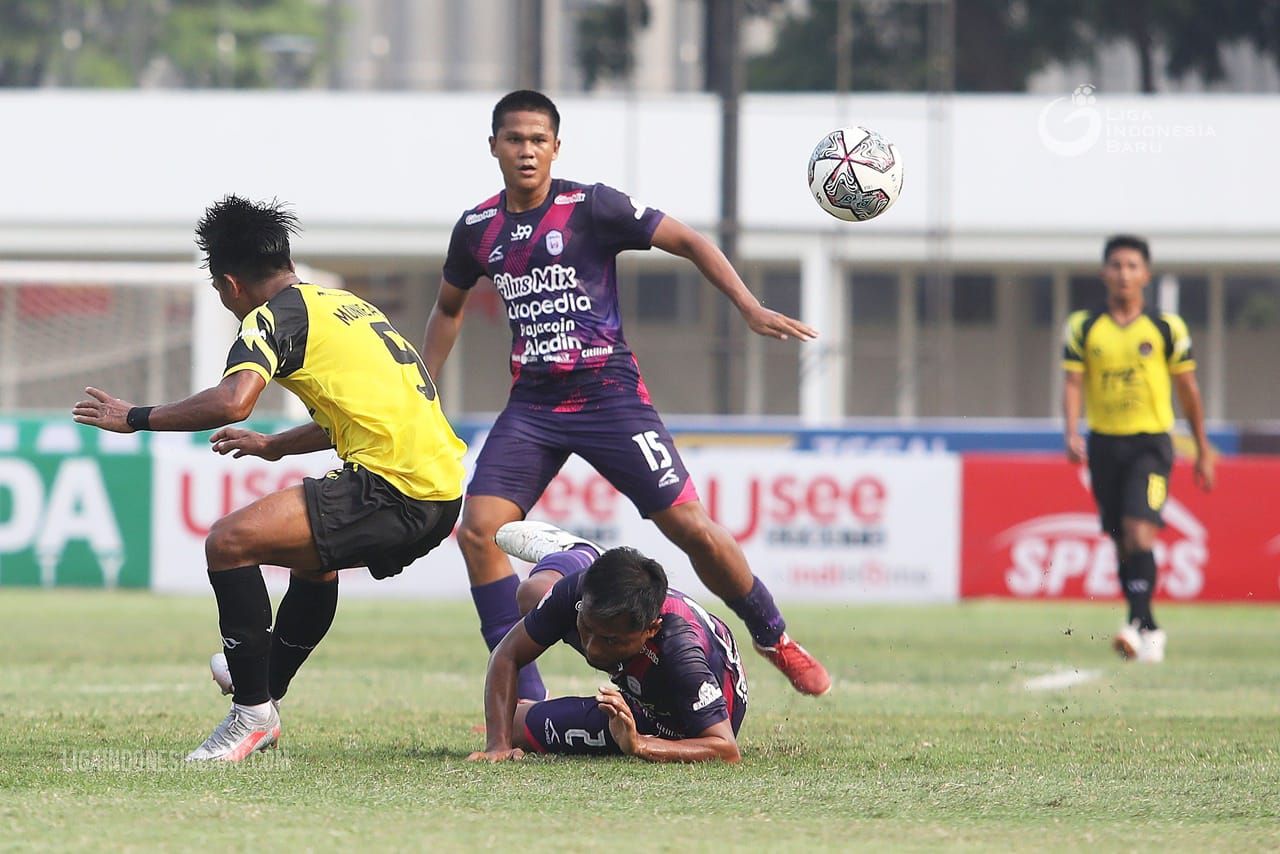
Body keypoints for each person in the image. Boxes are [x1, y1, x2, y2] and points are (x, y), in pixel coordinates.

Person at [423, 89, 830, 700]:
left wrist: (748, 306)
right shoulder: (478, 229)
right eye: (515, 139)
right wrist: (420, 391)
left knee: (689, 525)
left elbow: (690, 240)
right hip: (533, 405)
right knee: (478, 531)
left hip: (608, 394)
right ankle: (525, 699)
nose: (527, 151)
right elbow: (448, 309)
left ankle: (774, 636)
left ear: (556, 147)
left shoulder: (592, 207)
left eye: (538, 140)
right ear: (494, 148)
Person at [72, 195, 467, 761]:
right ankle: (262, 686)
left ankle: (252, 713)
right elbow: (361, 414)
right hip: (440, 489)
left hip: (395, 488)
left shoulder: (270, 318)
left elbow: (235, 401)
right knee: (313, 562)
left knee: (229, 542)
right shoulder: (343, 306)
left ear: (230, 284)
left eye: (217, 290)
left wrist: (135, 418)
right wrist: (275, 447)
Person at [467, 521, 746, 763]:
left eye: (610, 640)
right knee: (531, 595)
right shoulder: (579, 594)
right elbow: (506, 655)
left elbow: (725, 748)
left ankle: (583, 555)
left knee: (520, 721)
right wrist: (498, 746)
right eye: (585, 628)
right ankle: (579, 555)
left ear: (650, 629)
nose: (591, 648)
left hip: (685, 719)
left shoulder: (681, 653)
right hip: (642, 695)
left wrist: (640, 744)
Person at [1062, 234, 1214, 664]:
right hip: (1105, 446)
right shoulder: (1084, 327)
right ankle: (1147, 626)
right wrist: (1071, 431)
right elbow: (1073, 382)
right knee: (1121, 541)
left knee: (1139, 531)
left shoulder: (1167, 328)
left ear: (1145, 274)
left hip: (1151, 445)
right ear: (1104, 273)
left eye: (1132, 266)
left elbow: (1188, 390)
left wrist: (1202, 449)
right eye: (1116, 265)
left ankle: (1134, 626)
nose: (1124, 273)